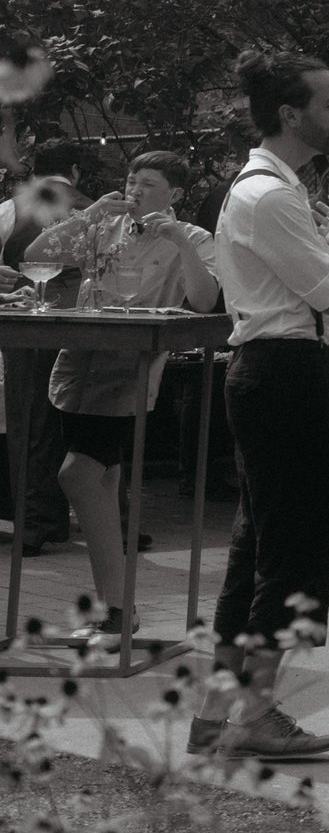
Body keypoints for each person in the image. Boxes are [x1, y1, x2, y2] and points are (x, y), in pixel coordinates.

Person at [192, 50, 329, 761]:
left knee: (259, 546)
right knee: (292, 549)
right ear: (290, 114)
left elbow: (315, 303)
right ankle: (255, 712)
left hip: (274, 367)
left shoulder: (266, 188)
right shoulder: (270, 195)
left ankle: (222, 714)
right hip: (281, 374)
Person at [22, 150, 218, 644]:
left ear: (174, 194)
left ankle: (119, 606)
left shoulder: (191, 237)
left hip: (130, 364)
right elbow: (38, 257)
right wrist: (87, 215)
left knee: (78, 474)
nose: (134, 190)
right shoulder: (101, 227)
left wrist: (178, 240)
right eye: (131, 180)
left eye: (147, 184)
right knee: (101, 480)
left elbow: (204, 300)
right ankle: (116, 609)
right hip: (79, 358)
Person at [1, 138, 89, 555]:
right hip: (90, 324)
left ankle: (35, 523)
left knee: (30, 422)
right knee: (89, 417)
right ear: (75, 172)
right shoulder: (98, 207)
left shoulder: (9, 208)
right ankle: (114, 522)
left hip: (26, 326)